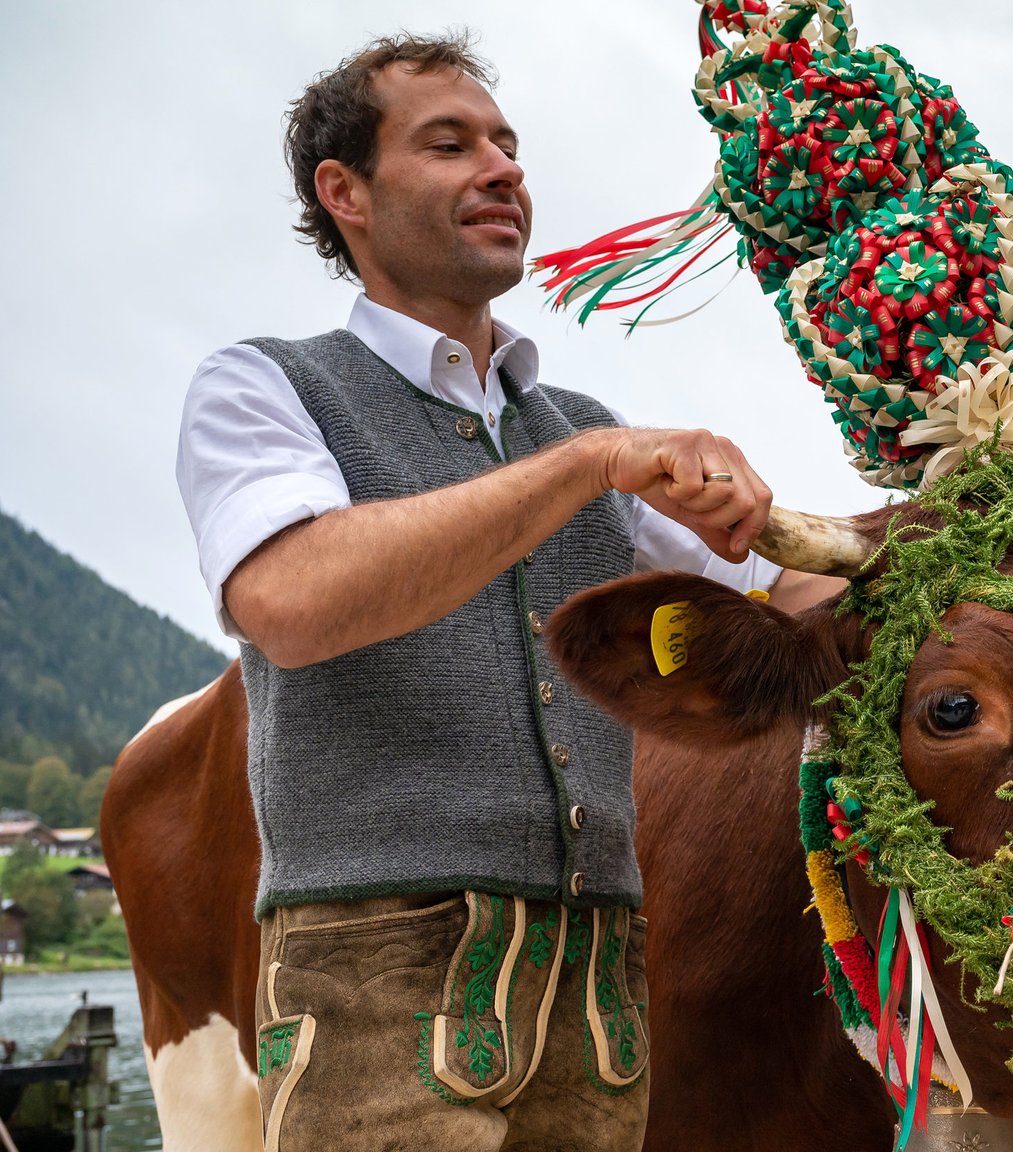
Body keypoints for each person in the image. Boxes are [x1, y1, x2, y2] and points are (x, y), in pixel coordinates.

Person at [175, 34, 842, 1150]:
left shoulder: (582, 428)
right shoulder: (263, 386)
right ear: (343, 192)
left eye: (507, 145)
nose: (502, 169)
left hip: (603, 982)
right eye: (450, 144)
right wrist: (586, 468)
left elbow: (797, 600)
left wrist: (992, 504)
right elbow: (289, 600)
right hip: (374, 970)